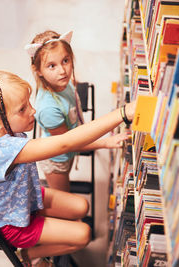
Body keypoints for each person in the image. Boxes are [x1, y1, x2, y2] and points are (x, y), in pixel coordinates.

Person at [0, 70, 135, 265]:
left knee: (81, 207)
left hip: (24, 197)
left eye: (29, 103)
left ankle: (42, 240)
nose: (33, 111)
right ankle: (26, 255)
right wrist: (123, 113)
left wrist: (103, 143)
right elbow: (65, 143)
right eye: (22, 109)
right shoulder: (6, 150)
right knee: (84, 235)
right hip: (10, 224)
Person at [26, 30, 129, 192]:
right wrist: (105, 142)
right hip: (56, 160)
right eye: (51, 66)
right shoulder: (48, 109)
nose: (62, 71)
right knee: (63, 195)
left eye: (65, 61)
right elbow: (69, 143)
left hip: (69, 148)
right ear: (38, 70)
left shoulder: (62, 82)